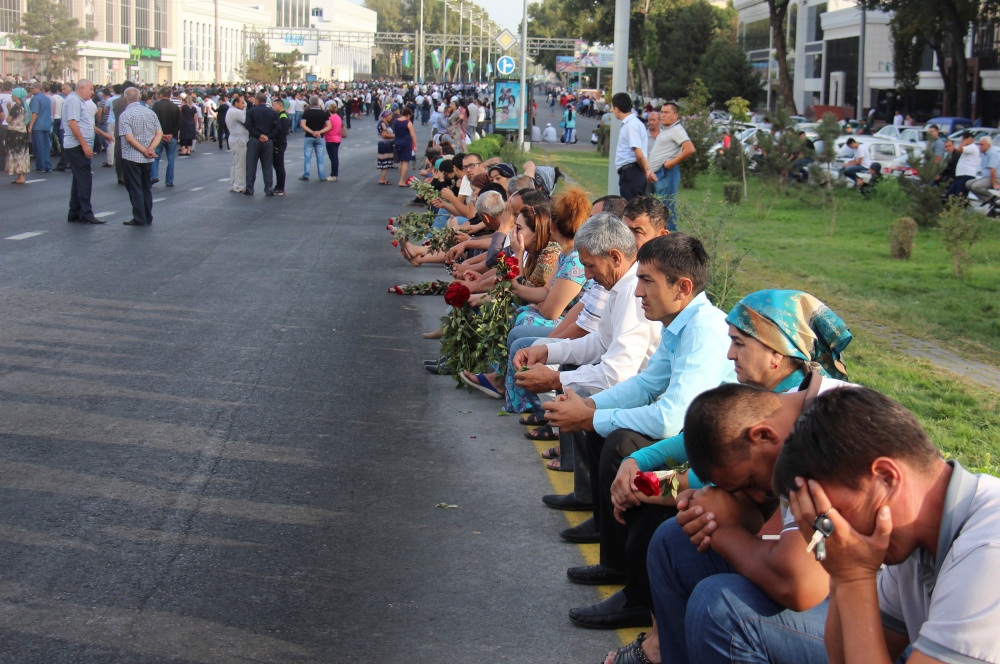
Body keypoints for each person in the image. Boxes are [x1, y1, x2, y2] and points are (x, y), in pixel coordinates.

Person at [601, 289, 852, 663]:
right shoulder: (771, 402)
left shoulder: (824, 434)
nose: (730, 354)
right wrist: (638, 462)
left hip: (861, 610)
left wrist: (650, 487)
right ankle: (663, 649)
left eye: (739, 343)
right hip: (808, 563)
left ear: (777, 354)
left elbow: (798, 584)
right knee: (673, 538)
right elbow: (696, 448)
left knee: (718, 602)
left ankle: (658, 645)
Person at [774, 387, 1000, 664]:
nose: (833, 533)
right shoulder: (910, 538)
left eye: (835, 514)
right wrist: (843, 575)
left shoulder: (989, 551)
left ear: (886, 478)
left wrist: (854, 577)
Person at [63, 79, 113, 224]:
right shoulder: (74, 100)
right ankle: (85, 212)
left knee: (79, 179)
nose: (93, 92)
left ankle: (75, 211)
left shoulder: (78, 101)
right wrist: (84, 144)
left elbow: (87, 124)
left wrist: (102, 134)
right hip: (77, 145)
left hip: (78, 144)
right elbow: (73, 123)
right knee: (84, 179)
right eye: (91, 89)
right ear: (82, 88)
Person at [118, 87, 162, 226]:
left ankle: (139, 217)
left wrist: (144, 150)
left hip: (131, 156)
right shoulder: (150, 112)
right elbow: (159, 133)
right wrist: (150, 149)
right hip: (148, 156)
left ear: (125, 99)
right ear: (139, 97)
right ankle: (148, 216)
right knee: (146, 187)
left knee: (135, 188)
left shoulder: (125, 115)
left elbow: (129, 138)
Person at [611, 92, 651, 202]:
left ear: (616, 109)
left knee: (631, 208)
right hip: (633, 172)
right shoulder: (634, 123)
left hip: (631, 172)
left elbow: (639, 154)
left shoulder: (631, 125)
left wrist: (645, 171)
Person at [244, 92, 278, 197]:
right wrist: (268, 136)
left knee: (251, 165)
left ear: (257, 100)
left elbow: (248, 125)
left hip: (255, 139)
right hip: (268, 141)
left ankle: (249, 188)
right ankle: (268, 188)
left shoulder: (251, 111)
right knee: (267, 166)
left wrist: (258, 135)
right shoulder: (272, 112)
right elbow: (277, 128)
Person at [151, 87, 180, 187]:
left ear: (161, 95)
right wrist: (171, 134)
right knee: (171, 159)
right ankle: (169, 180)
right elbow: (178, 123)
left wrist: (162, 134)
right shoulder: (175, 107)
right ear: (170, 95)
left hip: (159, 136)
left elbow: (152, 121)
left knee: (155, 157)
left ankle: (154, 175)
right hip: (172, 137)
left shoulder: (156, 106)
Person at [300, 96, 330, 182]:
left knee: (307, 156)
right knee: (320, 157)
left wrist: (312, 132)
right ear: (318, 103)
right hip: (320, 137)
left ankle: (306, 174)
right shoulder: (323, 113)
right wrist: (319, 132)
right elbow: (329, 126)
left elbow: (303, 125)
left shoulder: (307, 112)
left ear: (310, 103)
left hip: (309, 136)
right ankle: (322, 176)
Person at [4, 87, 30, 185]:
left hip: (14, 133)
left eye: (13, 94)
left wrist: (9, 112)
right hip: (22, 132)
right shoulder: (24, 107)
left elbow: (9, 120)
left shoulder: (16, 107)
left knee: (16, 154)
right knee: (22, 154)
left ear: (16, 96)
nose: (12, 96)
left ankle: (20, 176)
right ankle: (21, 175)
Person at [945, 131, 980, 201]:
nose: (962, 142)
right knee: (950, 194)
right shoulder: (968, 148)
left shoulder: (972, 147)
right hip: (961, 176)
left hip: (966, 175)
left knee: (960, 196)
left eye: (963, 139)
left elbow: (959, 149)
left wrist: (965, 141)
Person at [27, 81, 53, 173]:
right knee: (46, 146)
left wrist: (30, 125)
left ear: (38, 88)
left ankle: (41, 166)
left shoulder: (35, 99)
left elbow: (35, 113)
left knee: (39, 147)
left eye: (32, 88)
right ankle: (48, 165)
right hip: (46, 125)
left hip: (38, 125)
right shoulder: (47, 99)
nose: (31, 90)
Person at [966, 135, 998, 206]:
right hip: (986, 178)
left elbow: (993, 170)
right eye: (979, 144)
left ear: (988, 145)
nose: (980, 146)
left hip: (995, 178)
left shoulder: (992, 153)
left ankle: (993, 198)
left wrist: (994, 183)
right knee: (968, 184)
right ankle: (987, 200)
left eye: (982, 145)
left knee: (976, 186)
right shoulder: (984, 154)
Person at [226, 93, 249, 194]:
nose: (244, 105)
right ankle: (239, 186)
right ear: (236, 103)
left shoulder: (231, 110)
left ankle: (233, 184)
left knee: (235, 163)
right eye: (242, 103)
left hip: (234, 139)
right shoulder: (236, 112)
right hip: (239, 140)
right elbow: (247, 120)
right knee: (240, 164)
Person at [393, 106, 417, 186]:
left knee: (401, 161)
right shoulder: (408, 122)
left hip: (397, 141)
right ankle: (401, 181)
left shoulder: (395, 121)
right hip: (406, 142)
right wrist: (415, 145)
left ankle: (401, 178)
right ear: (408, 115)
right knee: (406, 162)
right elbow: (413, 135)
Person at [271, 98, 290, 196]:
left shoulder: (283, 117)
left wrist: (277, 145)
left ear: (281, 106)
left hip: (279, 144)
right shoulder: (279, 115)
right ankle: (278, 186)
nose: (273, 107)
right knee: (277, 166)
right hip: (278, 143)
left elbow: (282, 133)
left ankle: (280, 188)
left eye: (274, 105)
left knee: (279, 166)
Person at [323, 100, 343, 183]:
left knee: (333, 158)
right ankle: (334, 174)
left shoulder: (329, 119)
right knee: (335, 157)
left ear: (329, 110)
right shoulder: (338, 118)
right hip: (337, 138)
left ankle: (333, 175)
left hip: (330, 138)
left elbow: (325, 128)